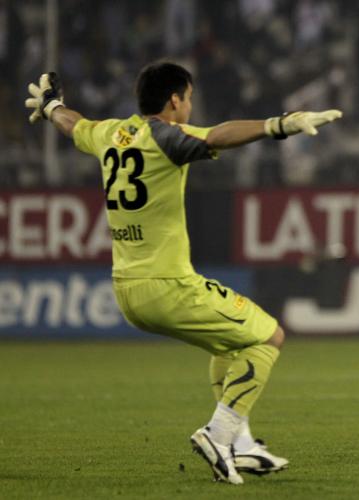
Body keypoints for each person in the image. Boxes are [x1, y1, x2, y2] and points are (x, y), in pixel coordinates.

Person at [25, 63, 342, 485]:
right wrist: (279, 125)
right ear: (175, 100)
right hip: (168, 285)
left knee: (231, 344)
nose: (190, 107)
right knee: (269, 338)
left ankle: (242, 445)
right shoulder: (167, 138)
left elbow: (74, 124)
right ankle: (218, 435)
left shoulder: (110, 134)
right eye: (188, 99)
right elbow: (217, 136)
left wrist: (50, 106)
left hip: (126, 288)